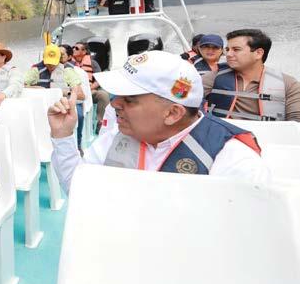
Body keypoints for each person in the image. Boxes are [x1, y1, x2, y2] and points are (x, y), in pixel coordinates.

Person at [48, 50, 268, 194]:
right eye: (117, 96)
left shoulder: (234, 163)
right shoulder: (118, 135)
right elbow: (80, 192)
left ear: (173, 113)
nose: (114, 104)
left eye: (129, 99)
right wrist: (63, 136)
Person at [203, 29, 300, 122]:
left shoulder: (289, 84)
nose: (228, 54)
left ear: (258, 53)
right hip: (222, 132)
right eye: (227, 49)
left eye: (236, 49)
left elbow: (296, 123)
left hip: (267, 133)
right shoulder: (212, 78)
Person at [70, 42, 110, 133]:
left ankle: (99, 122)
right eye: (73, 47)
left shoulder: (93, 63)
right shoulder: (69, 63)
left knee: (103, 95)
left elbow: (99, 80)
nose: (73, 49)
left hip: (90, 91)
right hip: (73, 92)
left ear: (84, 51)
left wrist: (90, 88)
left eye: (77, 48)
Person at [61, 44, 88, 147]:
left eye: (62, 55)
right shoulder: (42, 69)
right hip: (54, 102)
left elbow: (82, 96)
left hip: (73, 101)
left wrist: (67, 93)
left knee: (79, 115)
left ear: (69, 57)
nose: (58, 57)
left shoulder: (75, 71)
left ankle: (78, 144)